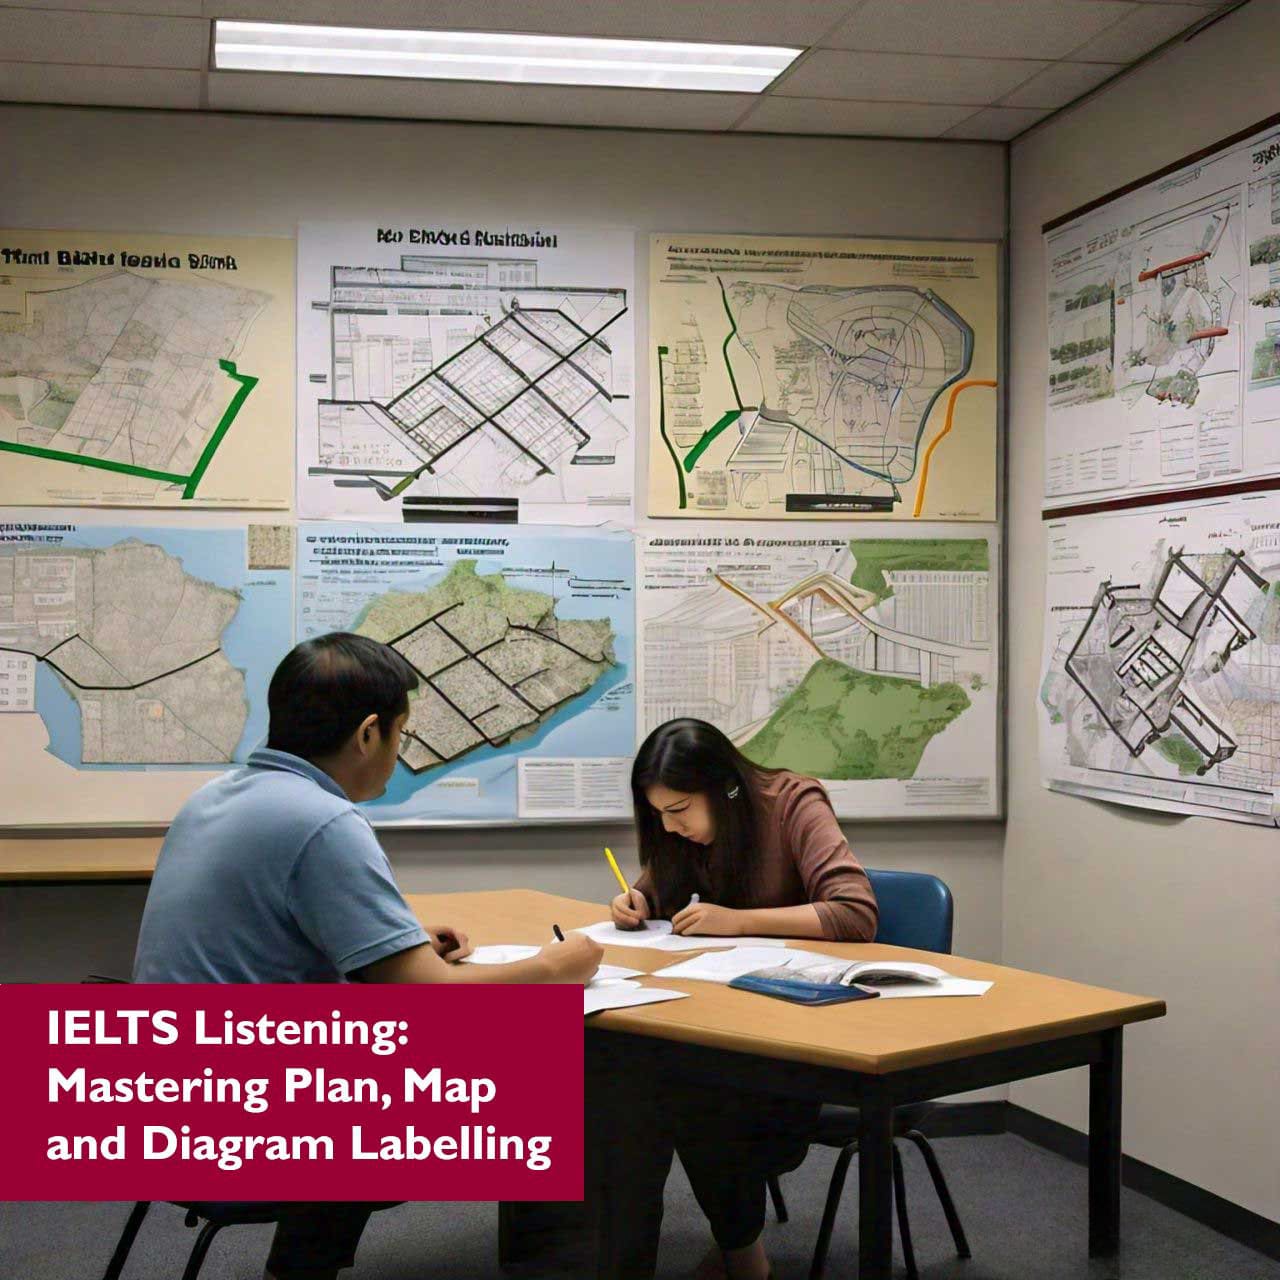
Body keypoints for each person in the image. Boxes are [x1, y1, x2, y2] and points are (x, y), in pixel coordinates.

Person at [134, 632, 601, 1280]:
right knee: (555, 1084)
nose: (400, 754)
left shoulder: (213, 799)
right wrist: (557, 968)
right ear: (368, 734)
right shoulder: (323, 821)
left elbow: (282, 933)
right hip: (252, 1124)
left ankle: (302, 1267)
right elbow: (429, 1000)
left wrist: (397, 942)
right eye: (403, 736)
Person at [593, 718, 877, 1280]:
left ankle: (745, 1261)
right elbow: (661, 882)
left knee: (687, 1094)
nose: (670, 828)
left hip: (795, 1034)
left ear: (724, 787)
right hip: (714, 1016)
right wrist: (636, 900)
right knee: (633, 1084)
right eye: (658, 816)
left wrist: (737, 921)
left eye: (678, 811)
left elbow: (856, 911)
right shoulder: (682, 833)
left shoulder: (794, 802)